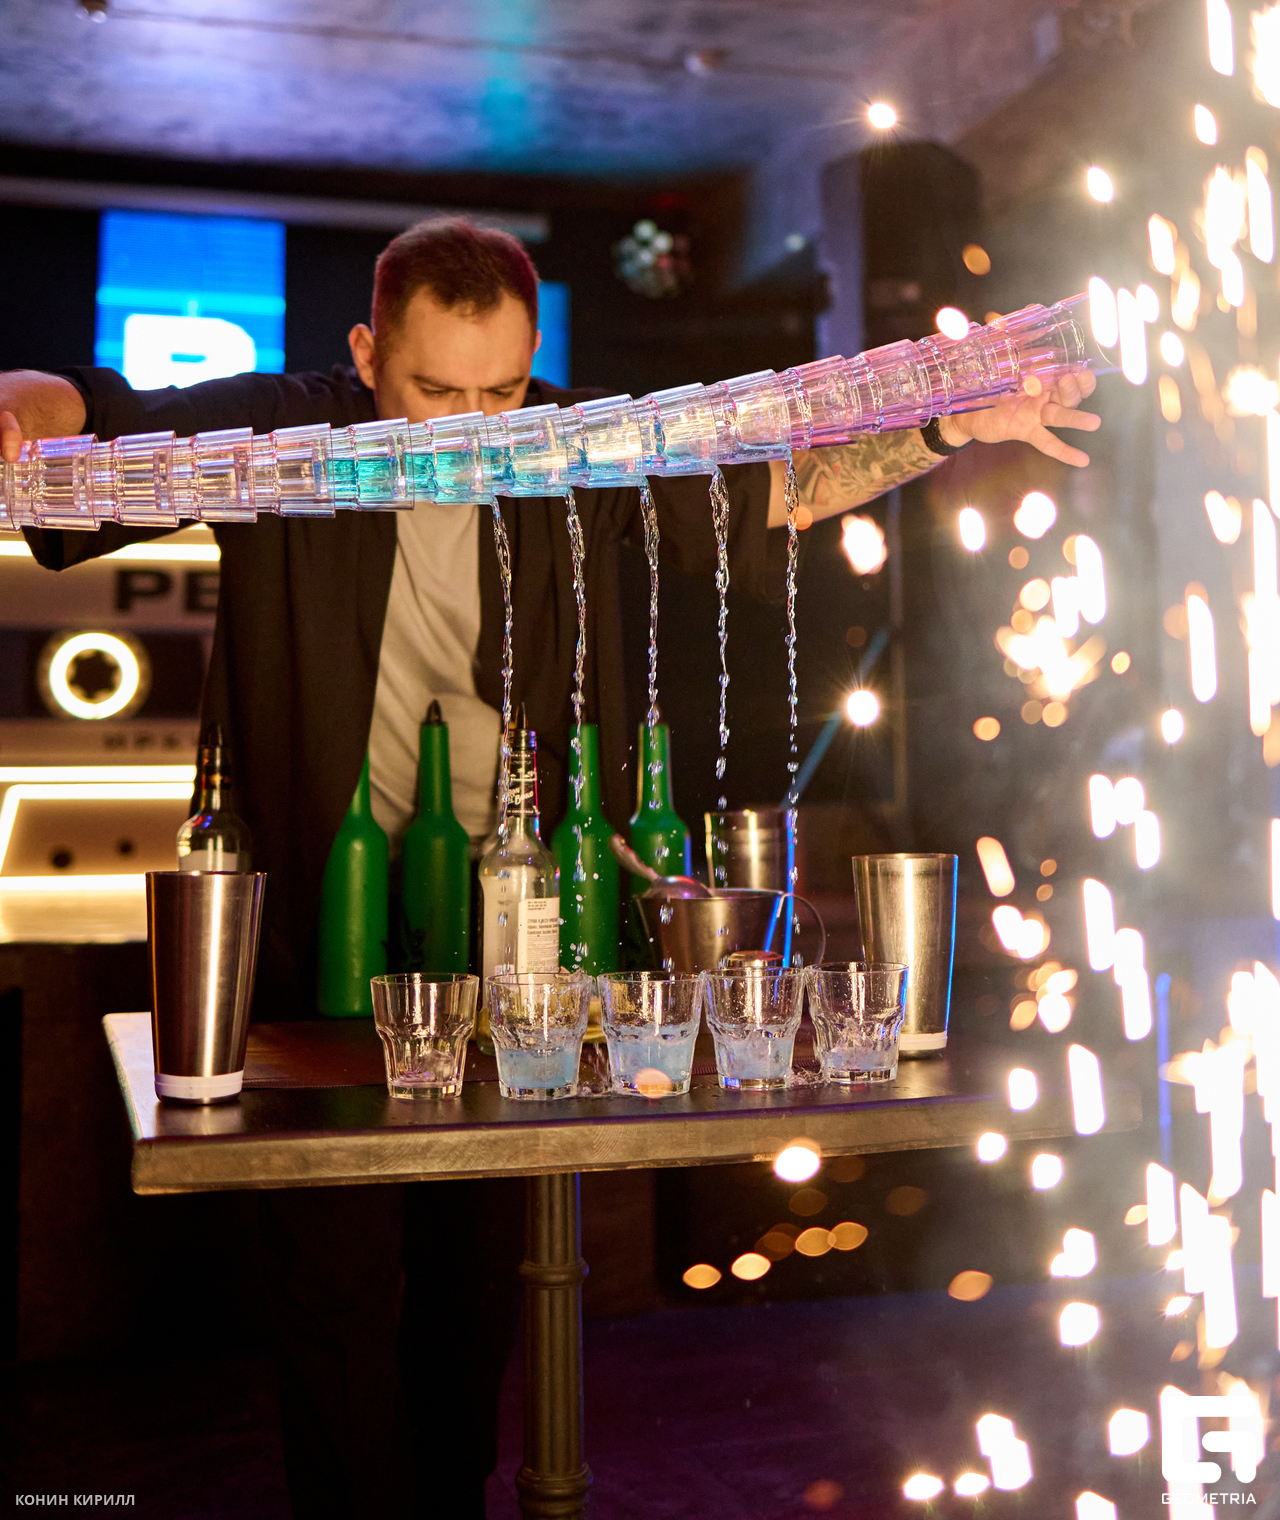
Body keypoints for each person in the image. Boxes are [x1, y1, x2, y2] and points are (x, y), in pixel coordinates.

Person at [0, 220, 1099, 1516]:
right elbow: (94, 411)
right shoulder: (287, 429)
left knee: (480, 1277)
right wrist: (16, 410)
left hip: (515, 931)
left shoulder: (574, 447)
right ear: (366, 356)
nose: (475, 430)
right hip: (314, 920)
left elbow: (776, 487)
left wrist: (948, 428)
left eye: (503, 392)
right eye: (434, 392)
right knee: (331, 1276)